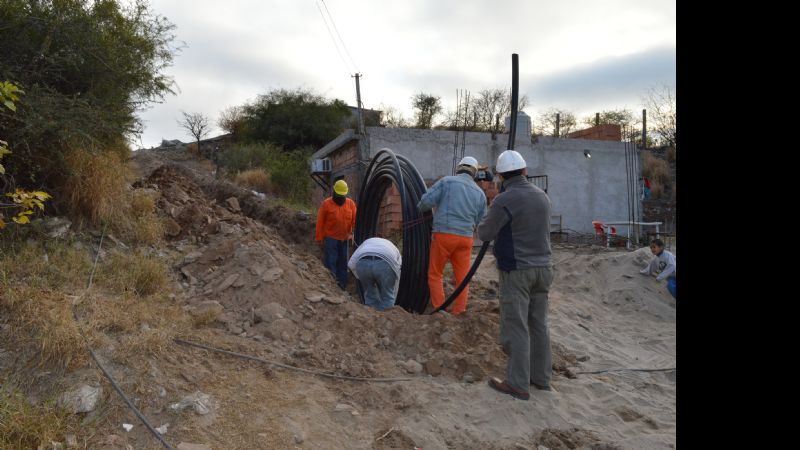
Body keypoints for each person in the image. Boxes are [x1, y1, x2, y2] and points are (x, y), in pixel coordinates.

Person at [477, 149, 553, 401]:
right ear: (525, 171)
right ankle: (541, 379)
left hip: (518, 270)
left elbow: (485, 233)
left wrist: (490, 209)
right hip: (544, 268)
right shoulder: (541, 196)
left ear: (500, 176)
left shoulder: (505, 200)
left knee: (516, 326)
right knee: (539, 324)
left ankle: (518, 384)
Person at [417, 156, 487, 315]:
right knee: (462, 278)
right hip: (466, 239)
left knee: (435, 274)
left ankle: (440, 310)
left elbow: (425, 203)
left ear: (459, 168)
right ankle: (459, 311)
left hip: (444, 235)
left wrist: (419, 207)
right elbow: (480, 220)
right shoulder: (480, 193)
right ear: (474, 173)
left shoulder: (447, 182)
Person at [315, 179, 357, 289]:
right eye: (338, 195)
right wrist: (319, 238)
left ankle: (342, 286)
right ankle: (331, 286)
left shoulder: (351, 204)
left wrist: (353, 234)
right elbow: (320, 222)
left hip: (345, 239)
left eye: (342, 196)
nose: (340, 198)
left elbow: (355, 221)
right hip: (331, 239)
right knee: (331, 262)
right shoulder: (326, 204)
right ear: (334, 192)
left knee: (343, 263)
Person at [348, 237, 402, 311]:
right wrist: (391, 291)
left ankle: (371, 316)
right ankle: (385, 316)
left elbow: (350, 264)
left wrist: (361, 278)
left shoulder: (365, 243)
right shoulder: (394, 249)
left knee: (370, 295)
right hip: (385, 262)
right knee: (387, 297)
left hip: (363, 262)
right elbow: (397, 271)